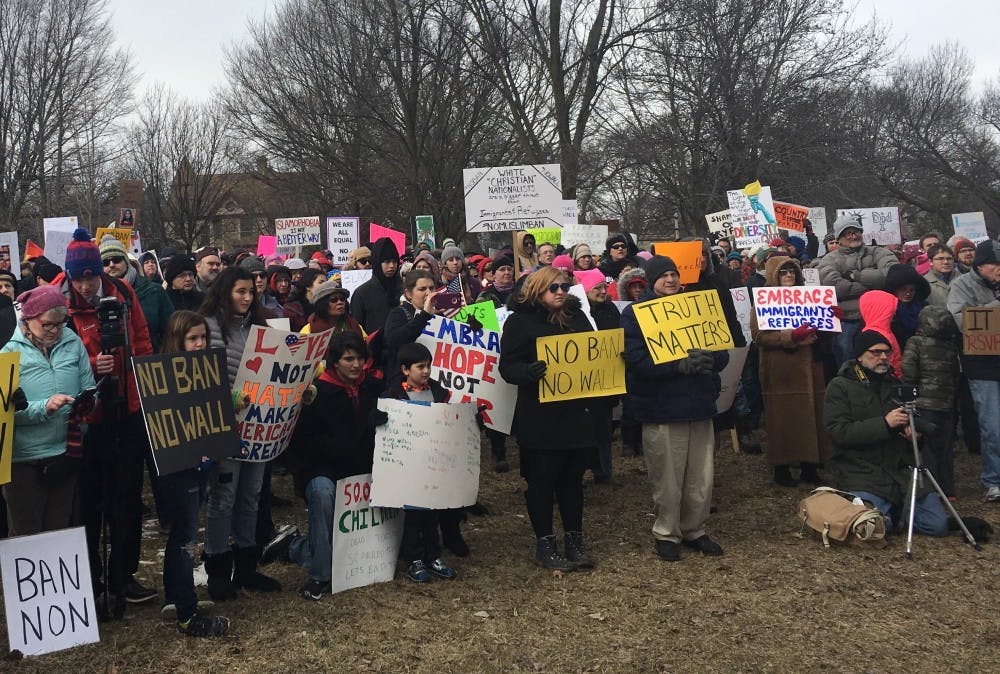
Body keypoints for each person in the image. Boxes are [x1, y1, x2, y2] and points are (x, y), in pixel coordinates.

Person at [59, 228, 156, 617]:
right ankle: (91, 578)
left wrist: (142, 380)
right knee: (89, 502)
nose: (85, 284)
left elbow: (144, 340)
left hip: (126, 410)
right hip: (86, 418)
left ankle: (124, 576)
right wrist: (90, 359)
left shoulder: (124, 294)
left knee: (128, 498)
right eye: (78, 277)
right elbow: (54, 351)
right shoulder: (59, 301)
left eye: (91, 276)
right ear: (69, 275)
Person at [621, 256, 729, 561]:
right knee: (667, 477)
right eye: (664, 275)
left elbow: (721, 348)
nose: (671, 279)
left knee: (701, 475)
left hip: (699, 403)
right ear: (652, 280)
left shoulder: (698, 307)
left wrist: (712, 360)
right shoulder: (635, 314)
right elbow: (635, 359)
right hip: (662, 407)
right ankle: (667, 533)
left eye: (674, 274)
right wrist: (676, 366)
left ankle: (695, 529)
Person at [271, 332, 386, 600]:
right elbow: (300, 445)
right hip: (322, 470)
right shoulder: (315, 394)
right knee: (323, 493)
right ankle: (320, 575)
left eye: (360, 358)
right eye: (348, 359)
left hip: (362, 470)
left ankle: (296, 547)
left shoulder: (372, 388)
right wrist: (340, 450)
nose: (356, 365)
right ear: (334, 362)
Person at [500, 266, 596, 571]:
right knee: (541, 482)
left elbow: (594, 353)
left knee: (572, 481)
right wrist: (527, 372)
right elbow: (508, 366)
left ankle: (574, 541)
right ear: (537, 290)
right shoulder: (519, 322)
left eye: (564, 287)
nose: (560, 292)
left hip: (574, 413)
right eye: (553, 287)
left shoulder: (577, 318)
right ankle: (545, 542)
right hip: (539, 417)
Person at [199, 267, 282, 599]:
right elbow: (201, 376)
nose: (247, 298)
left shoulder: (262, 329)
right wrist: (227, 398)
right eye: (240, 292)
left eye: (251, 292)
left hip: (259, 426)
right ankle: (218, 567)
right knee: (223, 498)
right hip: (225, 425)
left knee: (251, 495)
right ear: (224, 292)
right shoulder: (208, 327)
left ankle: (247, 565)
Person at [823, 331, 948, 535]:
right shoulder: (840, 386)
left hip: (901, 470)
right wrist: (884, 424)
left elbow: (909, 429)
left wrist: (914, 438)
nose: (883, 357)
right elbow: (839, 432)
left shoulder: (895, 385)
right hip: (862, 471)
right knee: (873, 528)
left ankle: (894, 513)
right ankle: (885, 514)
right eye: (876, 352)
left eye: (887, 353)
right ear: (860, 356)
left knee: (937, 525)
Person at [156, 311, 231, 637]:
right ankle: (187, 614)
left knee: (183, 533)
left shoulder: (209, 370)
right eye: (192, 339)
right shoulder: (164, 376)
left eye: (203, 337)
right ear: (177, 340)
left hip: (201, 465)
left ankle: (176, 596)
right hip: (179, 467)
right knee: (186, 537)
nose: (200, 344)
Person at [2, 285, 94, 536]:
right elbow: (5, 414)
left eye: (60, 323)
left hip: (65, 452)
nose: (55, 330)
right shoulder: (8, 351)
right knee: (26, 533)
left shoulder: (72, 341)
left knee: (59, 530)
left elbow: (89, 386)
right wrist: (44, 408)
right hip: (23, 460)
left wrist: (86, 401)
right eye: (47, 324)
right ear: (29, 319)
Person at [384, 342, 459, 582]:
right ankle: (414, 558)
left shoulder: (438, 391)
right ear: (405, 370)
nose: (426, 371)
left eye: (428, 366)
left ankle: (433, 555)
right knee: (413, 515)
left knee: (432, 512)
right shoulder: (393, 394)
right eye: (420, 367)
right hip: (407, 465)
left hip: (433, 462)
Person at [750, 256, 828, 487]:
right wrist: (790, 337)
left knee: (811, 416)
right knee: (781, 417)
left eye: (792, 271)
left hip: (810, 365)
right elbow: (758, 336)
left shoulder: (808, 299)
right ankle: (781, 466)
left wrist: (828, 323)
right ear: (774, 275)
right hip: (780, 368)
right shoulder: (763, 301)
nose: (789, 275)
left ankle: (810, 465)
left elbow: (819, 331)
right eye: (784, 272)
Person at [947, 240, 1000, 501]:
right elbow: (961, 320)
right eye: (994, 264)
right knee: (992, 425)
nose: (999, 268)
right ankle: (993, 480)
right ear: (980, 266)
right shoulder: (961, 285)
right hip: (982, 364)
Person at [817, 215, 897, 366]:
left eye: (856, 231)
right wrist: (873, 285)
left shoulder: (879, 253)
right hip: (848, 319)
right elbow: (836, 287)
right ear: (839, 238)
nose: (853, 235)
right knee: (846, 354)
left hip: (882, 318)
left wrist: (856, 276)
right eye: (848, 233)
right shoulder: (828, 260)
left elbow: (891, 275)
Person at [901, 306, 961, 499]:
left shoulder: (915, 342)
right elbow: (955, 374)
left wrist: (908, 394)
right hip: (946, 404)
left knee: (926, 448)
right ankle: (948, 489)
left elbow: (908, 369)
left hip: (923, 404)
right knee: (945, 447)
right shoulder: (951, 346)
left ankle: (930, 489)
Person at [575, 268, 620, 482]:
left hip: (606, 378)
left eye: (604, 286)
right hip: (582, 380)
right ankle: (581, 470)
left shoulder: (611, 309)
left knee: (603, 426)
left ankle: (603, 470)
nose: (604, 291)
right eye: (598, 288)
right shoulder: (574, 313)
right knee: (584, 428)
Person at [476, 255, 517, 472]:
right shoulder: (485, 297)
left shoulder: (521, 295)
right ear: (493, 274)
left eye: (510, 269)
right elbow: (477, 326)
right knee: (498, 403)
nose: (507, 273)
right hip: (493, 356)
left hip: (516, 353)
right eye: (502, 269)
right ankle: (498, 451)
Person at [100, 235, 173, 351]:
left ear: (126, 261)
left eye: (117, 259)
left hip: (152, 362)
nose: (111, 264)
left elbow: (171, 332)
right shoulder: (97, 297)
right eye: (105, 262)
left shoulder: (155, 291)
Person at [351, 237, 401, 333]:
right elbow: (357, 328)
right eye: (387, 262)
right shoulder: (362, 294)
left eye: (394, 261)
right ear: (377, 262)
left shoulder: (404, 289)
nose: (392, 266)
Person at [883, 263, 930, 349]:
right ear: (894, 290)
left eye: (912, 290)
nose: (908, 293)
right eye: (903, 289)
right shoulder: (887, 311)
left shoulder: (924, 308)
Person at [923, 243, 957, 308]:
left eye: (949, 258)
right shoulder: (924, 282)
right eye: (940, 259)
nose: (946, 262)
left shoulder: (964, 279)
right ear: (930, 261)